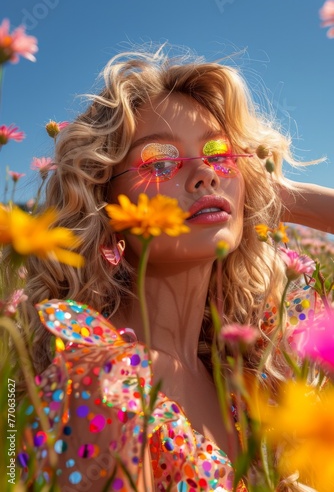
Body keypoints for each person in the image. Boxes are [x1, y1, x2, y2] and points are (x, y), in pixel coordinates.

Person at [23, 46, 334, 491]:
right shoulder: (100, 376)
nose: (205, 175)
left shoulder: (245, 363)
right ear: (103, 200)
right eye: (160, 163)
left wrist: (268, 189)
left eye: (220, 155)